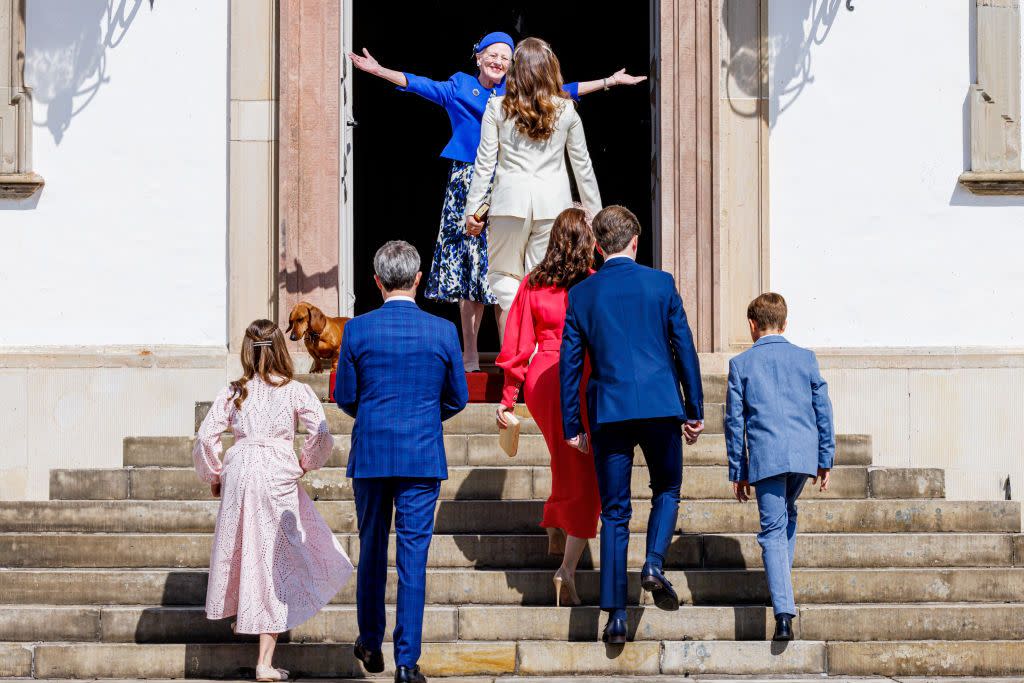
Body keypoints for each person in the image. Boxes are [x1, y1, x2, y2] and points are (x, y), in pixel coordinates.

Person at [350, 34, 644, 372]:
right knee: (473, 273)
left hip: (503, 195)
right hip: (477, 187)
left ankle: (516, 353)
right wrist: (379, 71)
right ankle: (476, 354)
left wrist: (609, 81)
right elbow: (419, 84)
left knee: (509, 276)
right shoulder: (460, 88)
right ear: (477, 57)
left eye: (506, 57)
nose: (499, 62)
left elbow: (568, 91)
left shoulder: (512, 99)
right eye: (493, 54)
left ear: (514, 66)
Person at [559, 205, 704, 644]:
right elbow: (685, 348)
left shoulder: (582, 294)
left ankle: (616, 618)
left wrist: (572, 423)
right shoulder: (661, 284)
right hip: (661, 405)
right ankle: (655, 563)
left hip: (610, 411)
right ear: (635, 242)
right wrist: (694, 407)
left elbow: (570, 364)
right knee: (667, 488)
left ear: (598, 248)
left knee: (615, 512)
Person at [335, 240, 469, 683]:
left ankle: (370, 641)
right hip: (421, 454)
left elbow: (346, 396)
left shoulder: (357, 330)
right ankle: (407, 661)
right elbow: (458, 397)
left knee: (372, 550)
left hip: (373, 453)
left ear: (376, 282)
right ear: (418, 279)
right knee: (414, 559)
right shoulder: (443, 331)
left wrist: (375, 416)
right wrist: (427, 416)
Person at [193, 319, 353, 682]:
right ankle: (264, 660)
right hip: (276, 471)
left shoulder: (235, 390)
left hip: (240, 469)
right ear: (280, 347)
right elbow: (322, 431)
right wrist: (306, 462)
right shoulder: (294, 390)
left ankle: (246, 613)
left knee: (243, 545)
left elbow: (206, 437)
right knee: (274, 558)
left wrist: (215, 474)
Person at [495, 206, 601, 608]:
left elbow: (517, 347)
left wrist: (508, 399)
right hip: (582, 377)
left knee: (563, 454)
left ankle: (555, 521)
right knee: (586, 471)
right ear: (587, 242)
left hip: (542, 381)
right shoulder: (593, 283)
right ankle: (567, 570)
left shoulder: (532, 284)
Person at [465, 37, 602, 341]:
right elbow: (583, 168)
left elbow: (484, 165)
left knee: (502, 276)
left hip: (507, 206)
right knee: (546, 282)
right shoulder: (566, 110)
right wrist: (595, 215)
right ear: (551, 69)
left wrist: (472, 210)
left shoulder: (496, 107)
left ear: (516, 71)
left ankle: (521, 338)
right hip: (553, 207)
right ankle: (541, 349)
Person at [724, 292, 835, 641]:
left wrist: (738, 469)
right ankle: (781, 585)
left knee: (772, 528)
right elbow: (823, 409)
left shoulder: (741, 364)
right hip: (802, 455)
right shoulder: (806, 359)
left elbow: (734, 422)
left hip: (767, 456)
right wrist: (825, 457)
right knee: (788, 513)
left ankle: (783, 612)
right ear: (785, 324)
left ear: (752, 326)